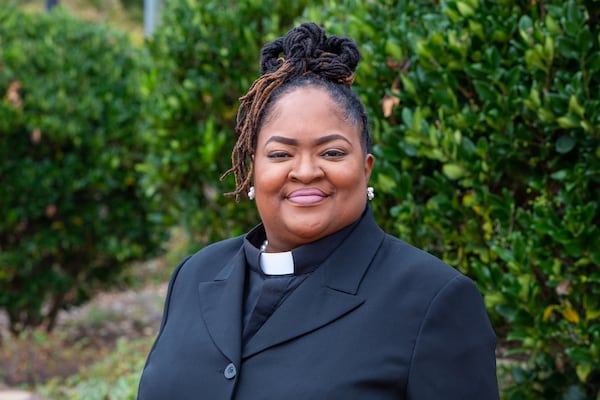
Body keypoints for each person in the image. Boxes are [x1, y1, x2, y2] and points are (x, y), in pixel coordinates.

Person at [137, 22, 500, 399]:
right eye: (280, 154)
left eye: (332, 152)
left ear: (366, 168)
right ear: (253, 170)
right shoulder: (195, 274)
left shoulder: (434, 299)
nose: (306, 171)